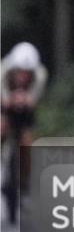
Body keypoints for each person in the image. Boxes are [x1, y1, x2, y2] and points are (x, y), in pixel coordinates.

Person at [1, 42, 47, 222]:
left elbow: (34, 98)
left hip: (25, 109)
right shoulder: (3, 71)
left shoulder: (40, 75)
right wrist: (8, 101)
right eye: (19, 72)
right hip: (4, 103)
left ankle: (25, 180)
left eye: (26, 73)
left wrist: (27, 99)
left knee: (27, 141)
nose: (23, 76)